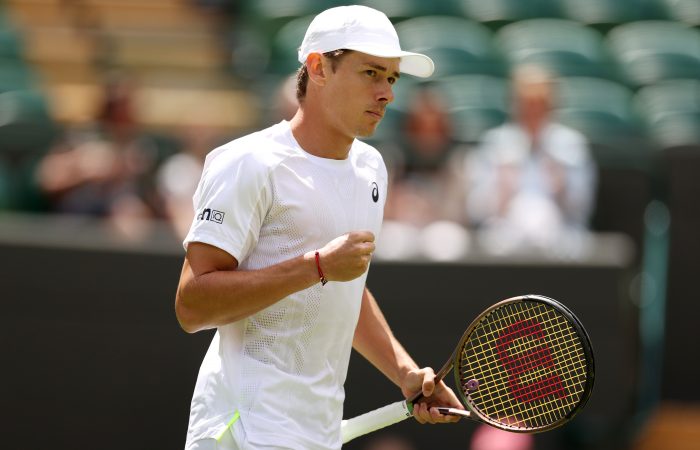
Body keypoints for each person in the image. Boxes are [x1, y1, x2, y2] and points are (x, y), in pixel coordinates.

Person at [175, 5, 463, 450]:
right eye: (370, 73)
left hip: (317, 432)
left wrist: (404, 372)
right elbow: (192, 306)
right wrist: (316, 268)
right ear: (318, 67)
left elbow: (346, 288)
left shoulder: (371, 169)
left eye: (392, 78)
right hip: (242, 427)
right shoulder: (247, 163)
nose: (386, 92)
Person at [464, 64, 597, 253]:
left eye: (540, 103)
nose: (533, 111)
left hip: (559, 237)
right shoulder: (494, 142)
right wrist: (501, 193)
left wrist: (562, 188)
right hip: (504, 237)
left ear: (552, 104)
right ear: (515, 104)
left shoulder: (571, 144)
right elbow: (475, 210)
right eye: (527, 103)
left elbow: (583, 208)